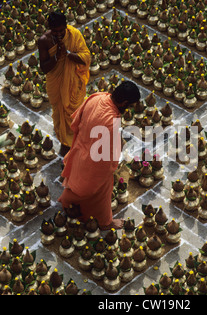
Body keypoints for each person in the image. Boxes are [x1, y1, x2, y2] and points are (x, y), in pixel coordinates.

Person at [58, 81, 141, 230]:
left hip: (79, 150)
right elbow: (107, 159)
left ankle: (68, 203)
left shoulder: (97, 97)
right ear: (124, 102)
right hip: (92, 161)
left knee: (76, 180)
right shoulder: (111, 122)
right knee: (102, 188)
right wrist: (114, 163)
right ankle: (105, 222)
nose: (128, 110)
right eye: (129, 106)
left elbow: (76, 122)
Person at [38, 11, 91, 157]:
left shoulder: (74, 35)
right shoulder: (44, 40)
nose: (59, 34)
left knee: (74, 111)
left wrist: (67, 53)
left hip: (73, 81)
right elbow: (44, 68)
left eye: (61, 30)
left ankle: (75, 138)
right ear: (49, 28)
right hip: (56, 80)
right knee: (60, 111)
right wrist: (57, 56)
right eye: (55, 31)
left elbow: (86, 57)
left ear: (66, 26)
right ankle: (65, 141)